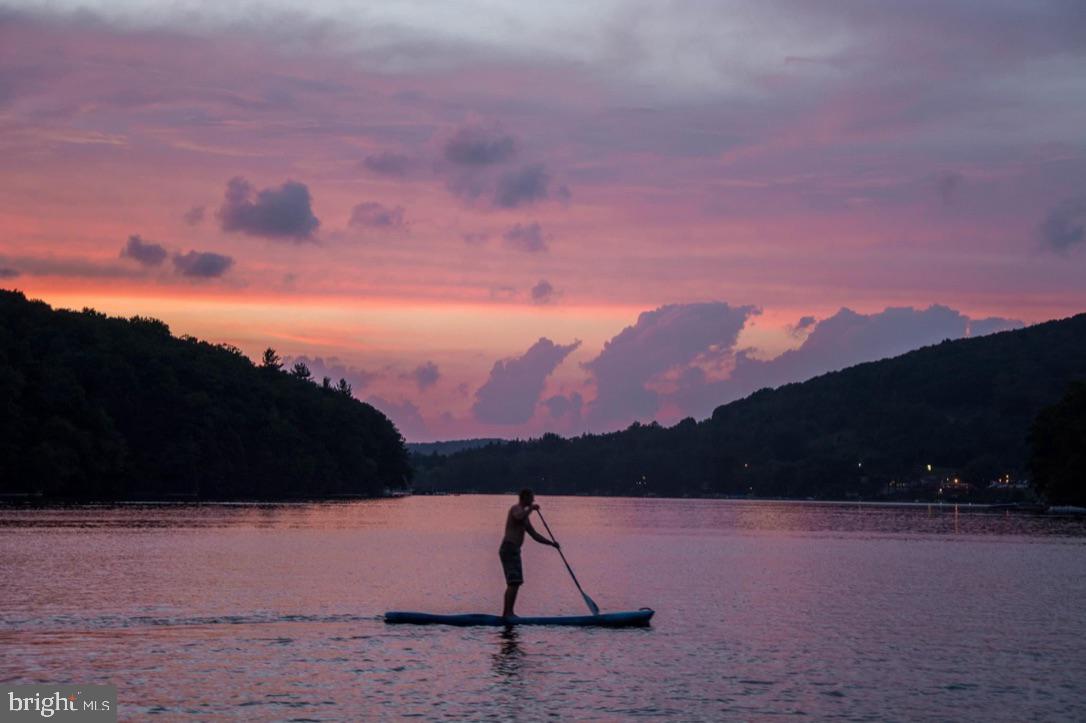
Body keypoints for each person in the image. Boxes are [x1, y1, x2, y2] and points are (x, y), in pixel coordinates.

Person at [500, 488, 559, 619]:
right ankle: (507, 614)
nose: (533, 500)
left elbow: (535, 535)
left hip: (515, 550)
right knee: (513, 582)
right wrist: (531, 509)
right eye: (531, 498)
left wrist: (551, 543)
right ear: (525, 498)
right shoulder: (516, 509)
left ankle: (508, 613)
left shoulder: (525, 517)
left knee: (516, 582)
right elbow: (518, 516)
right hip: (509, 548)